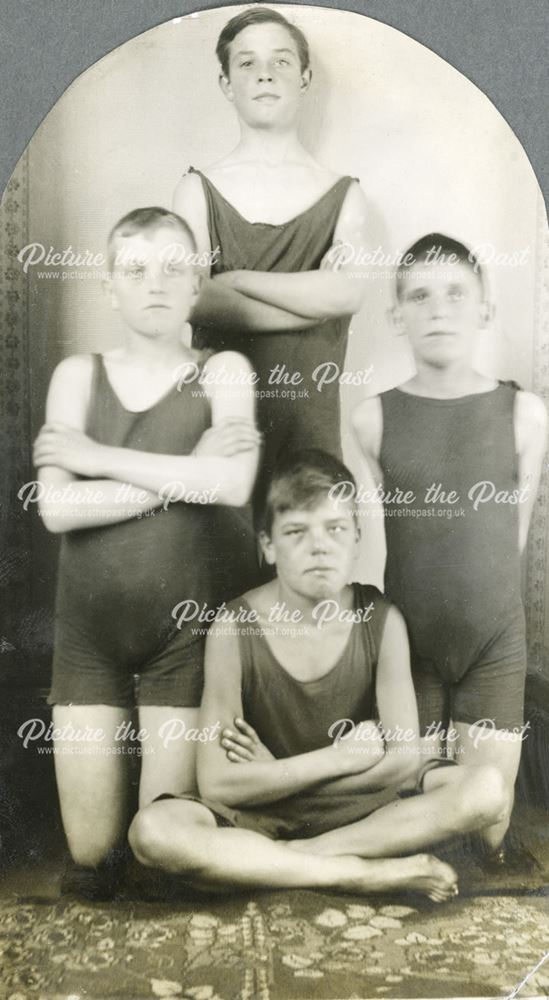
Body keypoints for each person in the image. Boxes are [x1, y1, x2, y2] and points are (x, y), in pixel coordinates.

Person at [129, 450, 508, 901]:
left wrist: (278, 774)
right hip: (263, 812)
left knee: (486, 790)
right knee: (152, 831)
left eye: (336, 529)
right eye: (296, 532)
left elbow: (404, 759)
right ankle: (358, 874)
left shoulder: (381, 619)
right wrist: (338, 759)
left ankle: (299, 859)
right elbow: (216, 782)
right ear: (268, 545)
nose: (320, 547)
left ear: (357, 538)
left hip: (361, 811)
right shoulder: (234, 625)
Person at [33, 207, 260, 895]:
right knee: (91, 855)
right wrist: (183, 472)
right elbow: (55, 509)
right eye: (134, 269)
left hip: (184, 635)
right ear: (110, 287)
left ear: (195, 284)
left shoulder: (224, 371)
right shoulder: (77, 375)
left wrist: (98, 457)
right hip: (88, 636)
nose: (154, 282)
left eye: (172, 267)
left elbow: (230, 483)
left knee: (159, 849)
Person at [352, 233, 547, 863]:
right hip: (412, 644)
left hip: (494, 641)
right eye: (421, 296)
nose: (439, 310)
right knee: (429, 827)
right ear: (396, 315)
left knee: (486, 833)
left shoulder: (525, 414)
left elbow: (510, 540)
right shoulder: (370, 418)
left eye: (456, 295)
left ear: (485, 310)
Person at [174, 7, 370, 506]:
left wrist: (235, 280)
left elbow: (348, 292)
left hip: (309, 438)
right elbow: (192, 299)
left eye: (281, 61)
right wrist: (311, 303)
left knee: (307, 578)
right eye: (247, 63)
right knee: (220, 581)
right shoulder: (197, 189)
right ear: (225, 83)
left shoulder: (344, 194)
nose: (265, 73)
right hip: (221, 434)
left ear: (305, 78)